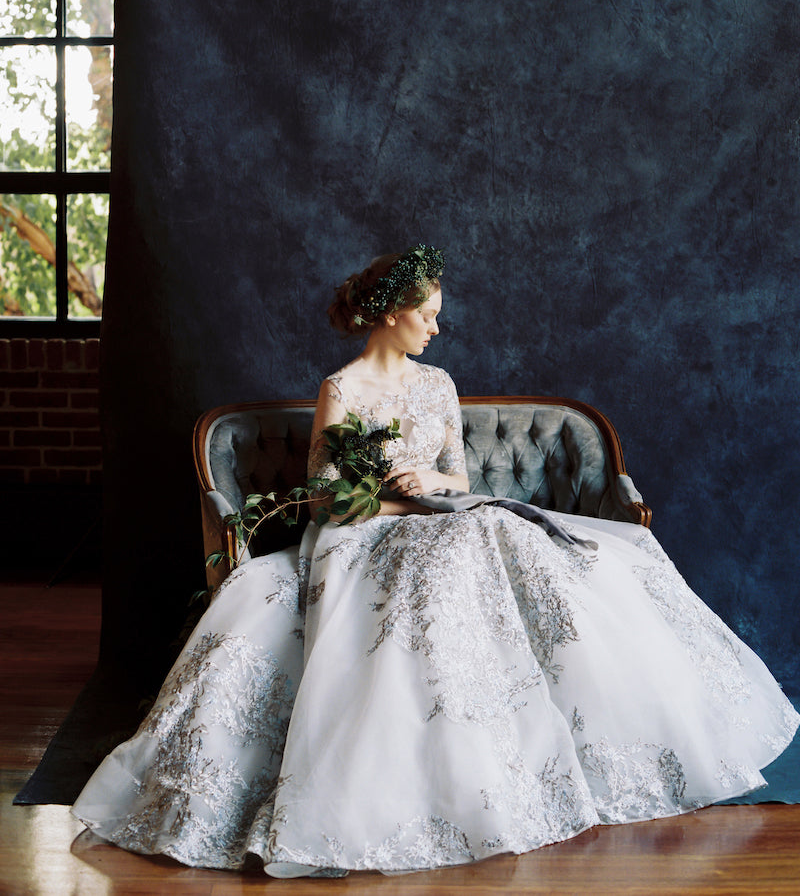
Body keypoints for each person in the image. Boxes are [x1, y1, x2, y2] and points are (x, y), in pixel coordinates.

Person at [72, 244, 799, 877]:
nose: (437, 327)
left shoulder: (439, 385)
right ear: (392, 315)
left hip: (439, 516)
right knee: (450, 554)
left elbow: (461, 477)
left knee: (505, 535)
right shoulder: (343, 390)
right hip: (364, 532)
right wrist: (392, 500)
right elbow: (328, 500)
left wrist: (433, 484)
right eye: (428, 315)